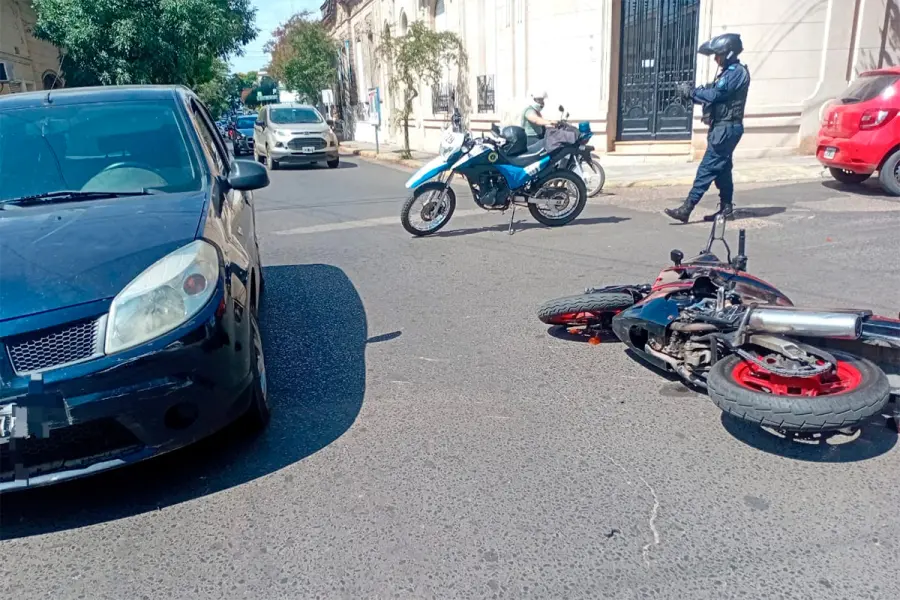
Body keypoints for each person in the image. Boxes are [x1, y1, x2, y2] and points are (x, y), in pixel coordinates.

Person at [664, 33, 750, 223]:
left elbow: (716, 94)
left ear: (728, 53)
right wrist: (692, 94)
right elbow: (712, 93)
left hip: (726, 129)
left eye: (718, 55)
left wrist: (692, 92)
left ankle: (686, 209)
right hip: (722, 128)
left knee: (707, 168)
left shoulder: (736, 72)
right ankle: (726, 208)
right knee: (723, 169)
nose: (716, 59)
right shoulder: (729, 72)